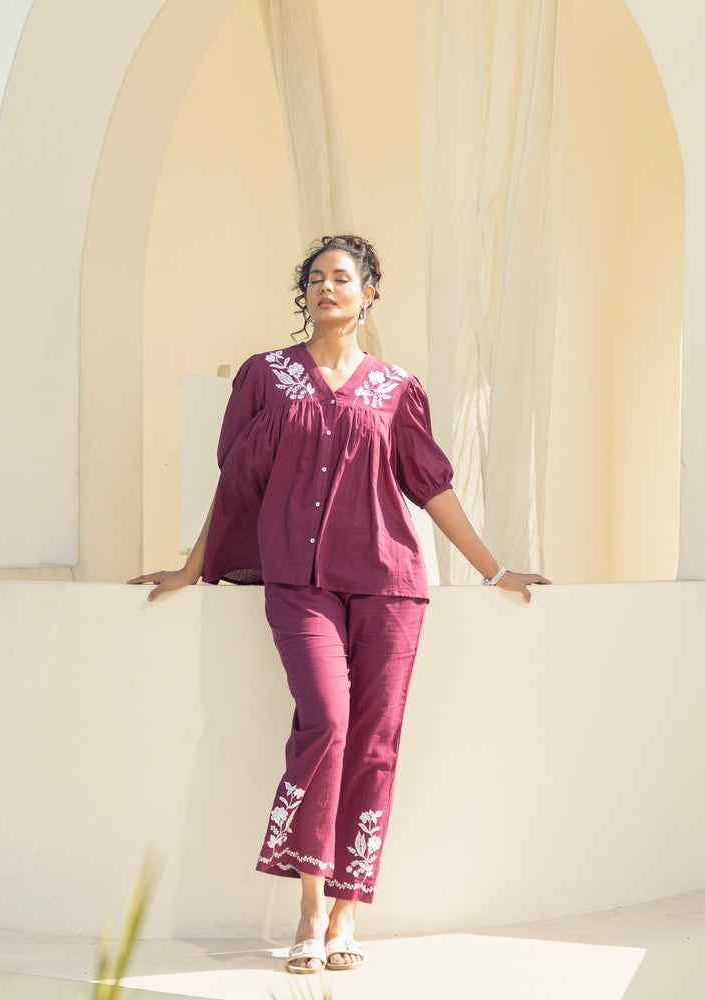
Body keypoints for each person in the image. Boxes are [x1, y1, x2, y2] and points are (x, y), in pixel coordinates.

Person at [128, 235, 549, 974]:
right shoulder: (266, 377)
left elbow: (431, 485)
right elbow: (236, 483)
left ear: (368, 294)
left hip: (390, 584)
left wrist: (494, 569)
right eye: (316, 278)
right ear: (305, 293)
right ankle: (309, 908)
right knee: (325, 721)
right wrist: (192, 568)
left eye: (343, 278)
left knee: (376, 745)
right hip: (300, 581)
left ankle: (348, 916)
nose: (328, 287)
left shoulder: (396, 388)